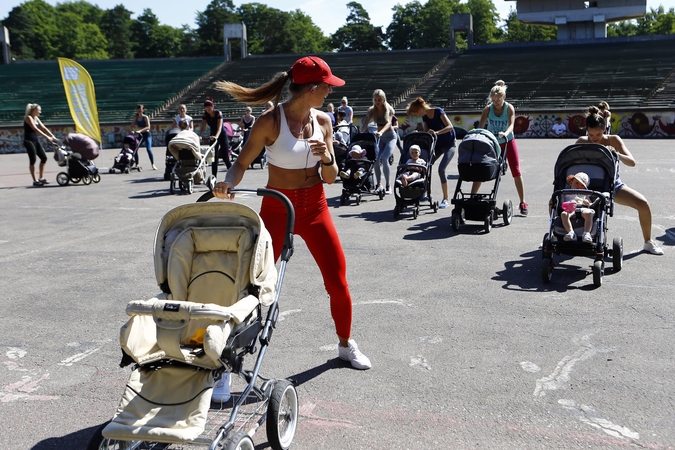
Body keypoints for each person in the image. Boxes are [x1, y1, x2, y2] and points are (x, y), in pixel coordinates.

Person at [211, 56, 372, 372]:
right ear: (312, 87)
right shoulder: (270, 122)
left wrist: (328, 158)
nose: (329, 91)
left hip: (316, 209)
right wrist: (226, 183)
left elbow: (330, 178)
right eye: (326, 86)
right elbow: (240, 164)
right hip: (276, 210)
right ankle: (227, 363)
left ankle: (345, 344)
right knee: (251, 287)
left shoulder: (324, 121)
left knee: (338, 282)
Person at [576, 106, 664, 255]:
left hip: (611, 185)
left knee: (643, 204)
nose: (594, 138)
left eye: (597, 134)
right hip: (586, 186)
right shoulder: (582, 141)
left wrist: (617, 153)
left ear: (604, 129)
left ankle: (648, 242)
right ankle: (555, 235)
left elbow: (632, 162)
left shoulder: (613, 140)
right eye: (591, 134)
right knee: (556, 200)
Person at [473, 80, 528, 216]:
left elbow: (511, 125)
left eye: (499, 99)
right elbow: (481, 126)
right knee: (483, 165)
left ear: (504, 97)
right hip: (493, 141)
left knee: (516, 170)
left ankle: (522, 202)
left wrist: (506, 133)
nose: (496, 101)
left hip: (507, 140)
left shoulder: (509, 108)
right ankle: (472, 197)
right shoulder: (488, 108)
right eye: (494, 98)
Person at [406, 97, 457, 208]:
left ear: (420, 108)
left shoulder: (438, 111)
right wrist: (418, 133)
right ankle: (428, 194)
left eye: (416, 112)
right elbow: (426, 133)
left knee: (441, 169)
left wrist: (437, 132)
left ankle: (446, 199)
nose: (417, 115)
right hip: (438, 145)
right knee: (426, 166)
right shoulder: (425, 117)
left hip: (449, 144)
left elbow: (450, 127)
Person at [362, 89, 397, 194]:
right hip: (380, 138)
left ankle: (388, 185)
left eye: (379, 100)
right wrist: (362, 131)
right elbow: (366, 122)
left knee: (385, 158)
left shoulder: (389, 109)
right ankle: (379, 184)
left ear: (384, 99)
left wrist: (381, 132)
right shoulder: (372, 110)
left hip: (390, 137)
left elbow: (389, 124)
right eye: (376, 100)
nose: (377, 102)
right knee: (376, 159)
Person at [559, 172, 600, 243]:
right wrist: (568, 203)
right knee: (564, 214)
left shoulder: (584, 194)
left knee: (589, 213)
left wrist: (588, 203)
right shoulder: (565, 193)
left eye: (582, 185)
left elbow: (590, 204)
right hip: (570, 209)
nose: (578, 186)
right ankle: (571, 233)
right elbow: (562, 204)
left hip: (582, 208)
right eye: (576, 183)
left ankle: (586, 233)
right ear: (571, 182)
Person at [23, 103, 57, 186]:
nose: (40, 112)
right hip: (29, 141)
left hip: (35, 140)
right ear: (34, 110)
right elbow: (35, 129)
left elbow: (43, 128)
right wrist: (47, 137)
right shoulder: (28, 118)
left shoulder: (36, 118)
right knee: (33, 160)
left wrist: (52, 136)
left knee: (44, 158)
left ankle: (41, 178)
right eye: (39, 110)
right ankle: (35, 180)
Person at [199, 97, 231, 176]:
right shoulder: (205, 115)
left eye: (210, 107)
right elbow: (203, 127)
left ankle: (232, 173)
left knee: (225, 156)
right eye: (206, 108)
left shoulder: (218, 113)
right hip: (212, 135)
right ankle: (214, 177)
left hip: (221, 135)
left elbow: (219, 127)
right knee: (213, 158)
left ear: (213, 106)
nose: (208, 109)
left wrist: (216, 136)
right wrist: (200, 135)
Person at [130, 104, 157, 170]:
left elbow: (148, 127)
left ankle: (153, 164)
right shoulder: (136, 117)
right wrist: (133, 130)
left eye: (141, 109)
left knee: (148, 149)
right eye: (138, 109)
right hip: (140, 135)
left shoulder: (145, 117)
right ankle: (137, 164)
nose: (139, 110)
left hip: (147, 135)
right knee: (135, 149)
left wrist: (140, 130)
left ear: (143, 110)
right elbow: (131, 125)